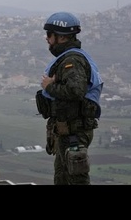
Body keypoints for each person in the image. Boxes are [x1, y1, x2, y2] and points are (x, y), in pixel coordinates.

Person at [38, 11, 103, 185]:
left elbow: (76, 91)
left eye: (49, 35)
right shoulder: (68, 58)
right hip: (67, 131)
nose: (47, 39)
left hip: (74, 131)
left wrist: (49, 86)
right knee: (63, 178)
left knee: (75, 179)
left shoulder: (72, 60)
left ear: (61, 38)